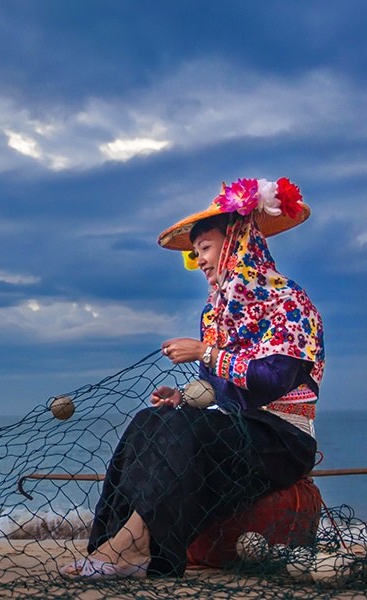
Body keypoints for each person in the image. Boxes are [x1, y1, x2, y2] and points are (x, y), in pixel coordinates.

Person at [61, 177, 324, 579]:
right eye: (196, 251)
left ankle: (132, 550)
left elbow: (274, 381)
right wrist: (183, 396)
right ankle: (112, 545)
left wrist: (206, 352)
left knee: (181, 427)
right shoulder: (213, 313)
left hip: (283, 438)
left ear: (237, 242)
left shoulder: (288, 300)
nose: (199, 260)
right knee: (151, 420)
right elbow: (212, 389)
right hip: (235, 430)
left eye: (205, 248)